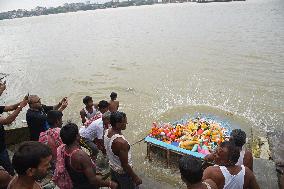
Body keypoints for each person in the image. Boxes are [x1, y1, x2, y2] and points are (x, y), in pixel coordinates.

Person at [59, 122, 117, 189]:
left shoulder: (63, 149)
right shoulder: (80, 155)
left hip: (76, 182)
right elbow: (93, 179)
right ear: (77, 136)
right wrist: (110, 183)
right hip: (86, 185)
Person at [104, 111, 142, 189]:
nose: (126, 123)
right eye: (124, 122)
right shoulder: (121, 143)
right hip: (123, 173)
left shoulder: (107, 131)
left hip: (113, 168)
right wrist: (135, 177)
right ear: (118, 124)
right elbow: (125, 165)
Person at [0, 96, 28, 175]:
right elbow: (8, 120)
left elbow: (11, 107)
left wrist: (22, 101)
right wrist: (21, 106)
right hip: (0, 149)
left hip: (2, 144)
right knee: (8, 170)